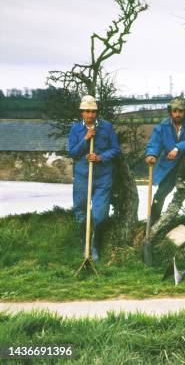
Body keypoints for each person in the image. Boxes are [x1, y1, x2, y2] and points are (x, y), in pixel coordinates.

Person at [67, 95, 120, 261]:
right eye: (87, 111)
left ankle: (95, 246)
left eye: (93, 111)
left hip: (103, 177)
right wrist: (85, 139)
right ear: (82, 112)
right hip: (83, 177)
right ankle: (86, 246)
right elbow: (73, 153)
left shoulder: (107, 127)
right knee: (81, 212)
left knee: (100, 215)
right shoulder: (75, 129)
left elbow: (116, 150)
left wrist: (100, 157)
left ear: (96, 112)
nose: (90, 115)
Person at [144, 98, 185, 224]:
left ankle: (181, 179)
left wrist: (177, 148)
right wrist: (151, 154)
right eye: (175, 111)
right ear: (170, 112)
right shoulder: (162, 127)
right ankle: (152, 222)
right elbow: (154, 143)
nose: (177, 114)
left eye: (181, 111)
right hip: (169, 165)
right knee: (160, 195)